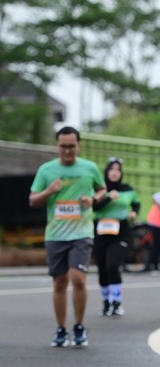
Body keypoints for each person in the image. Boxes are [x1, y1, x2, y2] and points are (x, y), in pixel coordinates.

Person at [29, 126, 106, 348]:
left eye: (71, 146)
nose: (67, 151)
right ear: (57, 146)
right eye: (63, 146)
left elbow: (102, 189)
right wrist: (49, 191)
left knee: (78, 279)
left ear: (78, 145)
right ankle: (61, 329)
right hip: (55, 234)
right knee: (60, 282)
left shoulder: (90, 167)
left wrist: (93, 199)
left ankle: (79, 326)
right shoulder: (46, 170)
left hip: (81, 232)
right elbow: (33, 200)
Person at [93, 157, 140, 316]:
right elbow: (93, 206)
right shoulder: (100, 189)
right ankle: (106, 302)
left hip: (121, 231)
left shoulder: (127, 189)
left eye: (118, 170)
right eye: (112, 169)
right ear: (107, 171)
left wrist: (134, 213)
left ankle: (117, 302)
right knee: (102, 268)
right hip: (100, 231)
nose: (115, 173)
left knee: (112, 266)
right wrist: (107, 198)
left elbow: (136, 203)